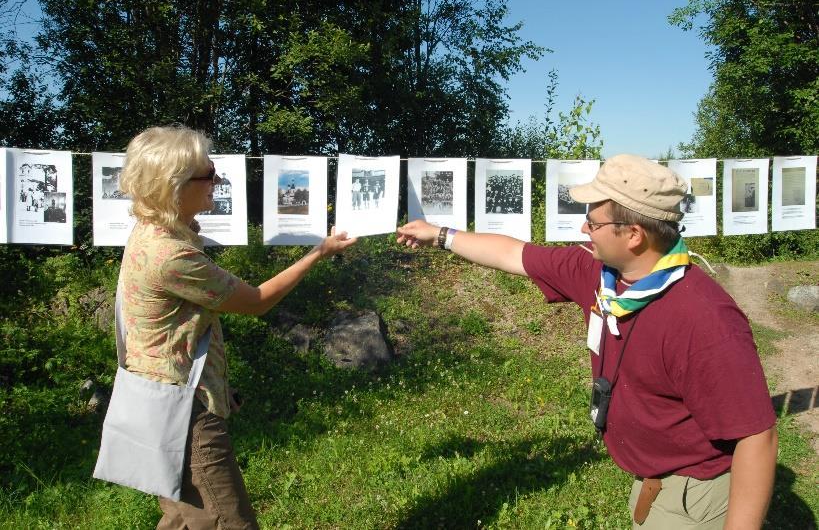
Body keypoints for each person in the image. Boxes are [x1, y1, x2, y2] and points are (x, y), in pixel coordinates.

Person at [396, 154, 777, 529]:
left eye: (593, 223)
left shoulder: (705, 320)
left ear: (633, 235)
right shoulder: (598, 273)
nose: (583, 230)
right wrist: (440, 235)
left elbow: (757, 438)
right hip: (653, 482)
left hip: (694, 493)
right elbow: (515, 254)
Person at [117, 125, 357, 529]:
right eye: (208, 174)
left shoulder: (152, 233)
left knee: (182, 516)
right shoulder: (170, 254)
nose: (218, 179)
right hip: (184, 411)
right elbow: (257, 301)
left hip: (160, 398)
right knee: (228, 520)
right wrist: (320, 251)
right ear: (174, 186)